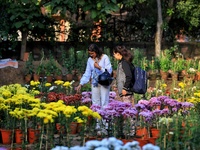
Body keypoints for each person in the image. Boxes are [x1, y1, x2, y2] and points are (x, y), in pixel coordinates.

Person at [76, 43, 113, 108]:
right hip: (95, 82)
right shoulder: (90, 60)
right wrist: (81, 84)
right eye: (90, 53)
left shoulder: (105, 57)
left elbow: (109, 71)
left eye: (92, 53)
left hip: (104, 81)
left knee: (104, 101)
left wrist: (99, 67)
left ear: (96, 51)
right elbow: (87, 73)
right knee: (95, 102)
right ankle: (97, 117)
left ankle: (105, 117)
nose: (91, 55)